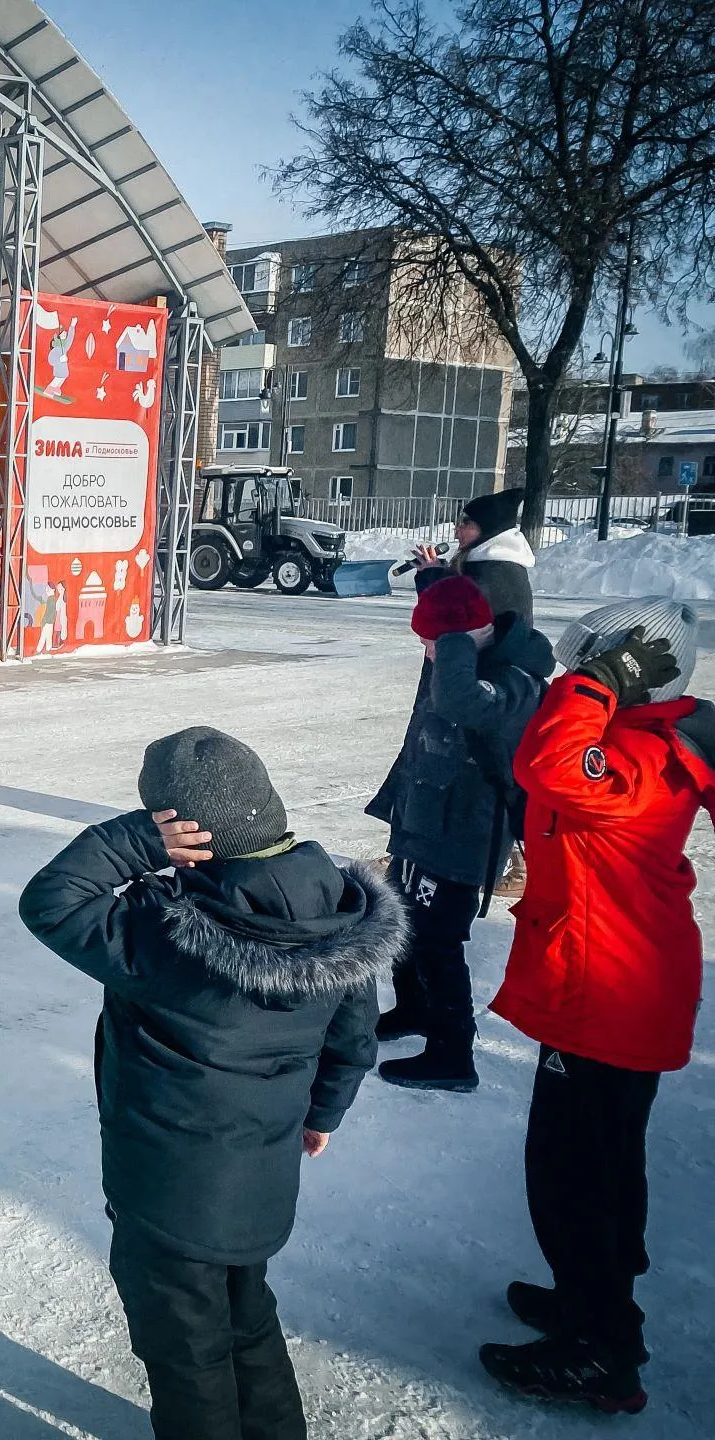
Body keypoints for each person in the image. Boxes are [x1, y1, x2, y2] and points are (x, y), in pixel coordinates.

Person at [20, 728, 403, 1440]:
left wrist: (135, 842)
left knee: (186, 1350)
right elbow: (353, 1036)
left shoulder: (165, 934)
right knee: (246, 1312)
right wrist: (323, 1111)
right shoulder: (339, 910)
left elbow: (51, 902)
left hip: (166, 1192)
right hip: (260, 1176)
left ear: (181, 832)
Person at [478, 599, 711, 1415]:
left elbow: (548, 767)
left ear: (638, 674)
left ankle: (599, 1347)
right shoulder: (641, 740)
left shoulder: (649, 757)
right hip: (606, 981)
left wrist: (598, 683)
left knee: (577, 1176)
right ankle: (594, 1304)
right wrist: (598, 684)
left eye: (603, 667)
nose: (580, 682)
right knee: (599, 1162)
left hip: (612, 990)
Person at [365, 575, 553, 1091]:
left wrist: (450, 640)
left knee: (438, 941)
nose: (427, 654)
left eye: (432, 643)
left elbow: (464, 706)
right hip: (423, 822)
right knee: (402, 921)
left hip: (464, 836)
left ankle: (453, 1054)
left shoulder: (513, 680)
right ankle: (415, 1009)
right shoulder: (458, 662)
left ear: (459, 639)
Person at [411, 486, 536, 626]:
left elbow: (448, 617)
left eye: (465, 523)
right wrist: (439, 572)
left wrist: (433, 575)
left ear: (489, 527)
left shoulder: (496, 570)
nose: (456, 532)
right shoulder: (487, 564)